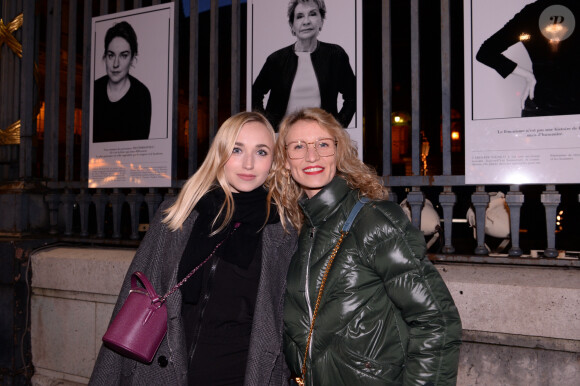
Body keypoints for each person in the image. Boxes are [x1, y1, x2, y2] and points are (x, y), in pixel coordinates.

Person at [90, 112, 297, 385]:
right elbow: (131, 302)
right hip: (166, 371)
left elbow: (285, 326)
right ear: (219, 154)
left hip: (238, 374)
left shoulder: (282, 232)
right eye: (236, 149)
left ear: (273, 162)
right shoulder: (179, 214)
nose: (248, 163)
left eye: (261, 151)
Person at [268, 108, 462, 385]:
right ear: (285, 161)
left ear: (339, 152)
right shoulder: (298, 230)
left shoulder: (374, 220)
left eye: (323, 144)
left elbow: (437, 321)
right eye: (298, 146)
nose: (312, 156)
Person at [252, 0, 356, 130]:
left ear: (321, 21)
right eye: (300, 16)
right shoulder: (276, 60)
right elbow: (254, 94)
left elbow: (353, 96)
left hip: (322, 138)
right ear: (292, 25)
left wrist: (337, 127)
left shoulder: (335, 55)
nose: (306, 21)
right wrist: (268, 126)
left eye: (312, 14)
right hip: (282, 139)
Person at [476, 0, 580, 117]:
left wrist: (529, 77)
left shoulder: (531, 12)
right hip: (552, 107)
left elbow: (486, 52)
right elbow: (486, 52)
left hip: (542, 105)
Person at [93, 21, 152, 142]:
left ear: (132, 58)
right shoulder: (94, 89)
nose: (116, 64)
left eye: (123, 55)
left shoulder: (142, 95)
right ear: (105, 56)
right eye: (111, 55)